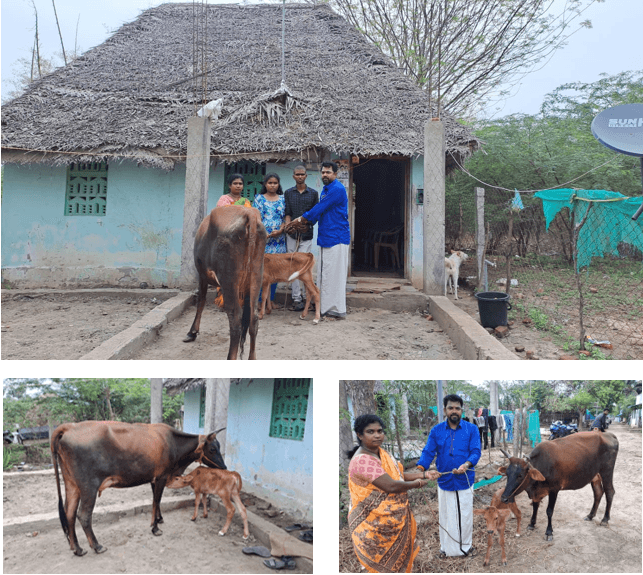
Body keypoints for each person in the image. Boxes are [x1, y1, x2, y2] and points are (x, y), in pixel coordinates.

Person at [347, 414, 428, 573]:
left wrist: (423, 475)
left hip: (393, 525)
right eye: (370, 432)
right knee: (380, 566)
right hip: (372, 525)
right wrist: (417, 484)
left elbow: (397, 475)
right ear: (359, 435)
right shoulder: (362, 461)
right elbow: (390, 485)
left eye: (380, 431)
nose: (377, 435)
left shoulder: (382, 454)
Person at [416, 394, 481, 558]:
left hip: (464, 480)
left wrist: (466, 465)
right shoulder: (436, 431)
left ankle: (466, 548)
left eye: (457, 408)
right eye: (451, 407)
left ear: (462, 410)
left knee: (464, 515)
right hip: (444, 480)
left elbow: (475, 452)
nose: (454, 411)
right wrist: (421, 469)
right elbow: (428, 452)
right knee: (446, 516)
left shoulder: (471, 429)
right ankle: (446, 549)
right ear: (445, 410)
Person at [287, 161, 350, 319]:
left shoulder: (337, 189)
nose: (325, 175)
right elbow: (321, 212)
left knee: (334, 275)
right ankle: (324, 307)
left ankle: (335, 309)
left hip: (337, 237)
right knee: (326, 274)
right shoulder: (326, 189)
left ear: (335, 174)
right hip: (326, 237)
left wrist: (301, 219)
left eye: (328, 172)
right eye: (323, 172)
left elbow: (320, 208)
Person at [284, 165, 319, 312]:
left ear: (306, 176)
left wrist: (307, 224)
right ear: (293, 176)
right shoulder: (288, 193)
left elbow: (316, 213)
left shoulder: (313, 193)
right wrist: (288, 226)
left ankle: (308, 298)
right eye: (297, 174)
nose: (300, 176)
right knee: (293, 266)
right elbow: (287, 213)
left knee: (304, 267)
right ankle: (296, 299)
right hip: (292, 235)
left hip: (306, 235)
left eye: (302, 174)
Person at [253, 173, 286, 302]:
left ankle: (270, 300)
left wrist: (281, 230)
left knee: (275, 270)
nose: (272, 185)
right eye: (270, 183)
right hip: (263, 239)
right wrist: (262, 232)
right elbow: (256, 217)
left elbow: (285, 217)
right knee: (263, 270)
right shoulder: (259, 198)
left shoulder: (283, 199)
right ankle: (261, 300)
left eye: (275, 183)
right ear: (265, 184)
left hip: (278, 240)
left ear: (278, 184)